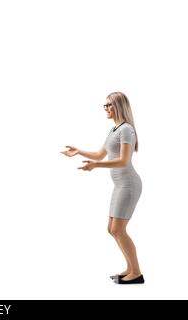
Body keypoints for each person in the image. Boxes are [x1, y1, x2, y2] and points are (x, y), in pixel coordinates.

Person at [61, 92, 143, 284]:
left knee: (118, 229)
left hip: (129, 184)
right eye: (104, 106)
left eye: (109, 105)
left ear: (118, 106)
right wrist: (79, 151)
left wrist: (95, 166)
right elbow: (99, 154)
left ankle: (137, 273)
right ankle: (130, 268)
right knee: (112, 229)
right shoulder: (114, 130)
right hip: (119, 185)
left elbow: (123, 161)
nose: (105, 108)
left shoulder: (126, 130)